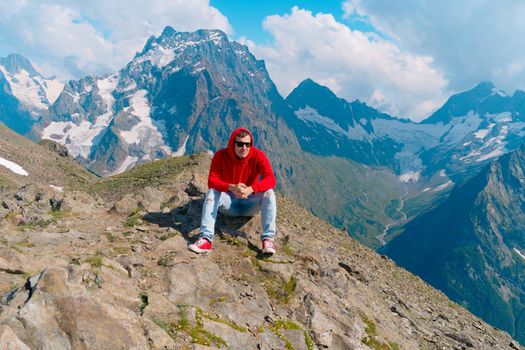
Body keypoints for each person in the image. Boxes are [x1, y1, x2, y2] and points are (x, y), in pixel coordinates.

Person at [188, 128, 277, 255]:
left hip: (249, 203)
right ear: (232, 144)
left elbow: (271, 179)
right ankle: (206, 239)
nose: (244, 148)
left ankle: (267, 239)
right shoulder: (220, 156)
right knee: (212, 192)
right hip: (229, 204)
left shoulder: (258, 156)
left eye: (248, 144)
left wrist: (251, 189)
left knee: (269, 192)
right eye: (240, 144)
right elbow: (212, 180)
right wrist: (232, 187)